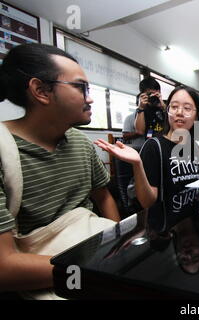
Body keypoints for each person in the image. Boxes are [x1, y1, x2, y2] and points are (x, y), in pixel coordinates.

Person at [0, 43, 120, 294]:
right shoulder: (3, 150)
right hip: (50, 273)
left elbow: (104, 196)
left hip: (94, 254)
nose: (90, 98)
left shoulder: (80, 142)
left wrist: (117, 244)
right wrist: (101, 269)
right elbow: (5, 267)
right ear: (41, 91)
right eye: (80, 87)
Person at [95, 86, 199, 214]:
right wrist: (137, 164)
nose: (180, 112)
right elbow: (148, 203)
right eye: (174, 106)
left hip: (186, 217)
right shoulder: (154, 146)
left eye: (187, 108)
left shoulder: (196, 146)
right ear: (167, 111)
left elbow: (192, 193)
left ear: (197, 115)